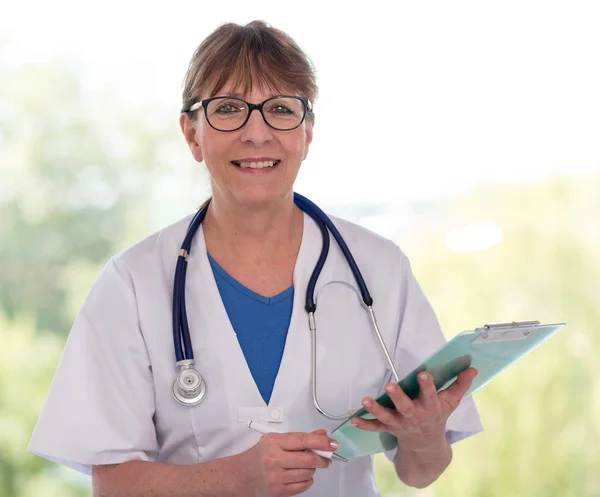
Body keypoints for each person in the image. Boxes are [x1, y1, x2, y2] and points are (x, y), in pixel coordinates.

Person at [28, 20, 483, 497]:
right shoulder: (132, 284)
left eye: (281, 109)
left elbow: (421, 471)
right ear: (192, 134)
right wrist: (237, 477)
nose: (257, 133)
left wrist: (425, 437)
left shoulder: (380, 270)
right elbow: (113, 486)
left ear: (307, 132)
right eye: (228, 109)